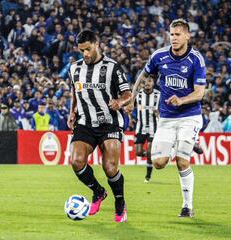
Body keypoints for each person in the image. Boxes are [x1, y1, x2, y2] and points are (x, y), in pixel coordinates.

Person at [128, 19, 206, 217]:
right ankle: (179, 143)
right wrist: (132, 97)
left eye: (178, 34)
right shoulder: (159, 56)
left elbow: (199, 93)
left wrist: (181, 100)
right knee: (159, 163)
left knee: (181, 161)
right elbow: (143, 76)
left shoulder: (196, 59)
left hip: (189, 116)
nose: (174, 38)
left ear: (187, 36)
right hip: (166, 119)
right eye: (171, 34)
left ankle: (187, 207)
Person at [68, 30, 131, 222]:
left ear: (96, 44)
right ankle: (98, 191)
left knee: (110, 167)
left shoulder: (112, 67)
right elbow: (75, 92)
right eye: (81, 51)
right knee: (76, 162)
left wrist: (119, 103)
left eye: (88, 49)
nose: (85, 54)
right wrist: (72, 111)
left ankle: (120, 203)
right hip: (85, 123)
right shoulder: (74, 69)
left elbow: (128, 94)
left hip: (109, 123)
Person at [133, 77, 160, 182]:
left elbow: (165, 109)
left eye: (149, 81)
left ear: (153, 83)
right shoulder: (138, 95)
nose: (147, 83)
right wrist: (130, 115)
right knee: (138, 152)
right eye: (144, 82)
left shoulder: (159, 95)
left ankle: (148, 176)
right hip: (140, 127)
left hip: (154, 128)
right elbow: (130, 106)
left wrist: (159, 113)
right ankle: (152, 157)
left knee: (149, 150)